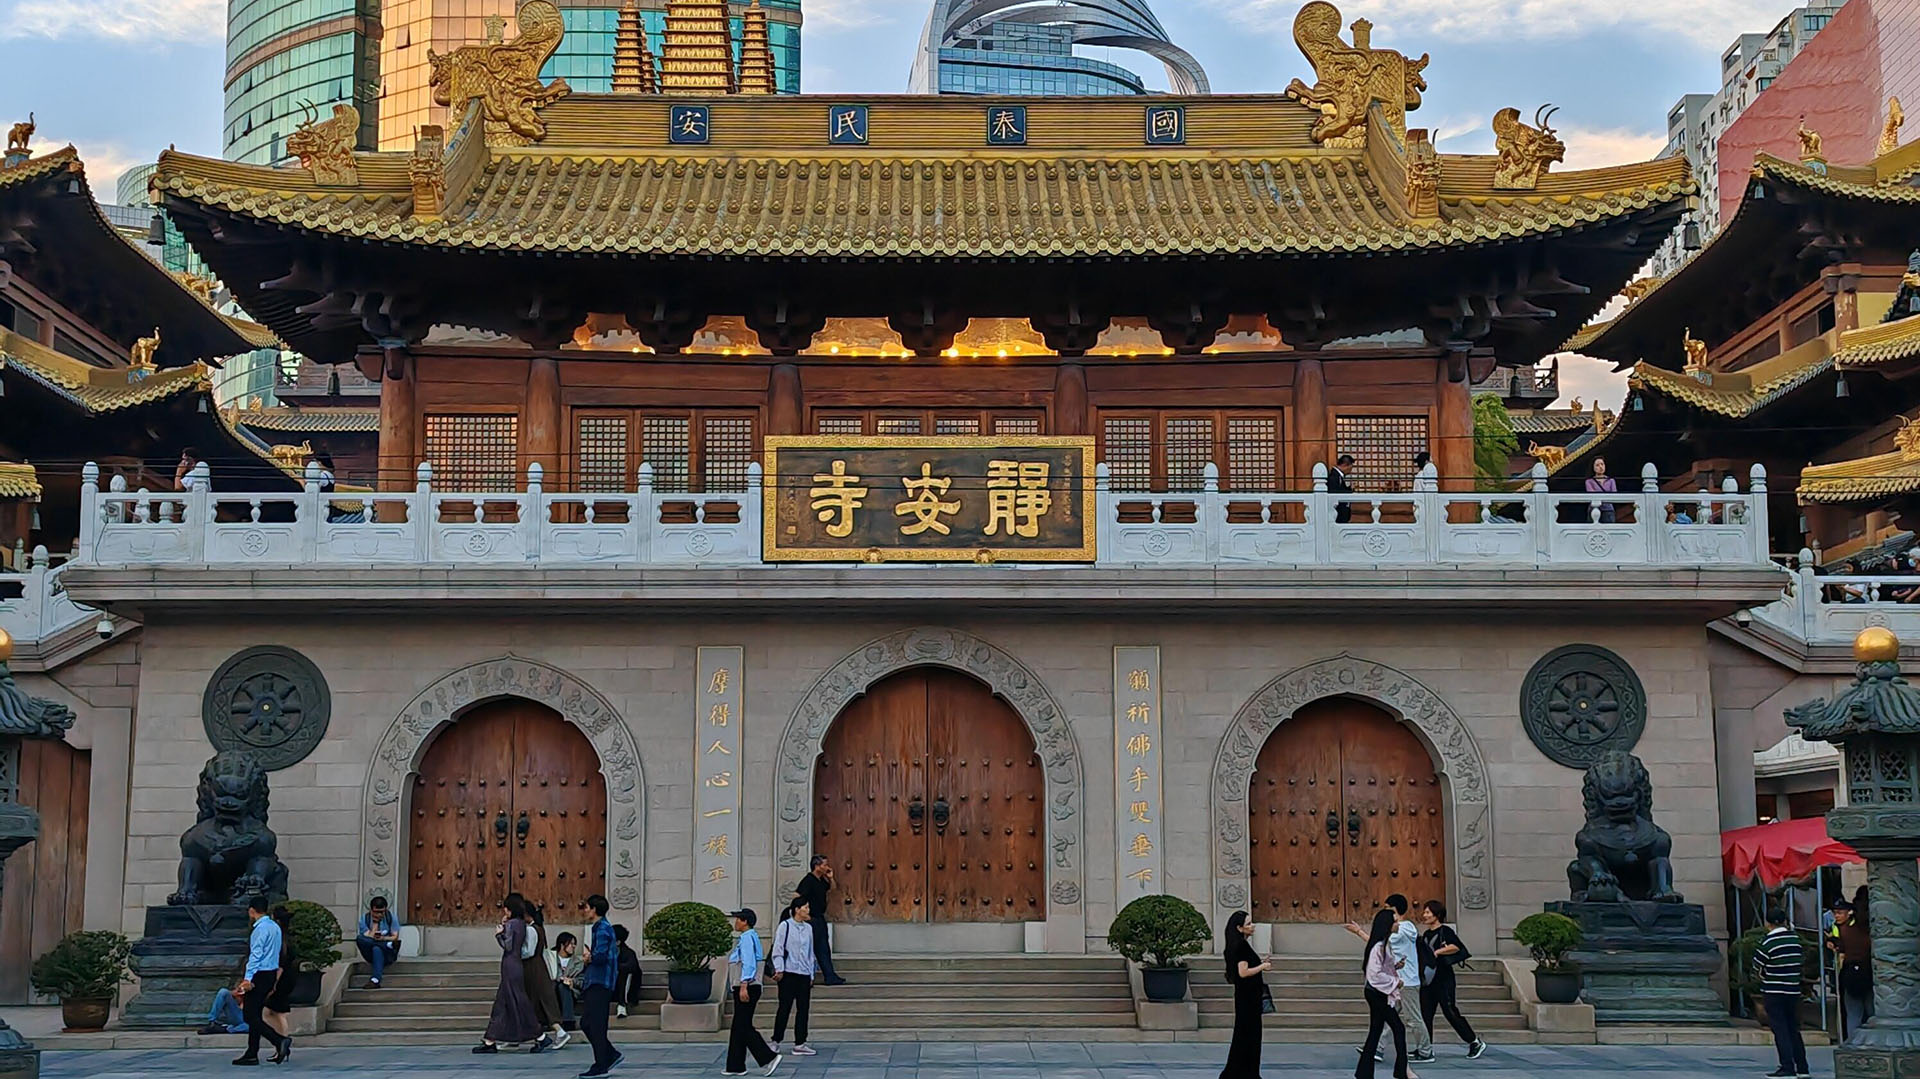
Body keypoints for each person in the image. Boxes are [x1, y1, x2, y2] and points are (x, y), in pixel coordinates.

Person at [1416, 900, 1485, 1058]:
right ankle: (1425, 1048)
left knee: (1450, 1011)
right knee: (1425, 1014)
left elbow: (1456, 946)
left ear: (1437, 914)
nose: (1424, 915)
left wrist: (1438, 952)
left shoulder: (1445, 931)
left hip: (1443, 978)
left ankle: (1474, 1041)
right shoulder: (1426, 934)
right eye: (1425, 912)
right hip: (1428, 979)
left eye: (1428, 912)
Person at [475, 894, 542, 1054]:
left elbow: (508, 945)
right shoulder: (521, 924)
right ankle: (490, 1039)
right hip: (516, 965)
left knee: (518, 1001)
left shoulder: (512, 924)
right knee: (502, 1003)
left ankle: (540, 1035)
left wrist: (499, 933)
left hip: (510, 965)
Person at [1354, 908, 1413, 1079]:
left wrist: (1395, 967)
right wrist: (1396, 982)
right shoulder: (1378, 946)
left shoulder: (1383, 945)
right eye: (1395, 921)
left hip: (1377, 992)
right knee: (1398, 1028)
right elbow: (1374, 974)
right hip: (1377, 993)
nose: (1397, 924)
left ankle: (1364, 1072)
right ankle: (1401, 1071)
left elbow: (1379, 969)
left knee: (1375, 1031)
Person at [232, 895, 291, 1066]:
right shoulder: (275, 927)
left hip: (259, 974)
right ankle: (252, 1053)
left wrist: (247, 979)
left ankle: (278, 1040)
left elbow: (256, 955)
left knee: (250, 1016)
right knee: (255, 1013)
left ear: (252, 910)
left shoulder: (259, 929)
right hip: (270, 972)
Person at [724, 908, 780, 1076]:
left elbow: (749, 963)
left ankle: (768, 1057)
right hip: (746, 985)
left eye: (738, 919)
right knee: (738, 1026)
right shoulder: (749, 937)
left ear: (745, 921)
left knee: (743, 1026)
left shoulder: (747, 938)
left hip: (747, 986)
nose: (735, 922)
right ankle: (735, 1065)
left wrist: (743, 985)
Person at [1756, 905, 1810, 1079]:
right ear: (1785, 921)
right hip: (1793, 991)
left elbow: (1757, 967)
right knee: (1794, 1029)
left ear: (1768, 923)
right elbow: (1800, 963)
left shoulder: (1768, 942)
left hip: (1774, 990)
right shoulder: (1795, 940)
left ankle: (1787, 1067)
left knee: (1780, 1030)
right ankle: (1802, 1068)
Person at [1219, 909, 1270, 1079]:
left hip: (1246, 997)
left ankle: (1242, 1072)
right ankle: (1245, 1073)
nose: (1252, 926)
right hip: (1248, 999)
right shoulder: (1241, 946)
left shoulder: (1238, 945)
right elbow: (1243, 972)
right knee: (1249, 1036)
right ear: (1239, 928)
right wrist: (1263, 966)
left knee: (1245, 1035)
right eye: (1248, 924)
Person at [579, 894, 624, 1079]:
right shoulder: (600, 927)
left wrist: (589, 957)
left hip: (600, 982)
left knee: (596, 1025)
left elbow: (601, 956)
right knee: (587, 1023)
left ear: (594, 909)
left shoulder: (603, 929)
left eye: (587, 907)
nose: (585, 911)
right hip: (595, 981)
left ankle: (601, 1064)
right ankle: (609, 1054)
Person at [771, 900, 820, 1056]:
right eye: (805, 907)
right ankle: (776, 1041)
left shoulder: (809, 929)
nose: (808, 909)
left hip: (804, 974)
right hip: (788, 973)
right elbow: (778, 948)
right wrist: (779, 969)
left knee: (803, 1009)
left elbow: (810, 952)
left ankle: (800, 1043)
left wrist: (811, 973)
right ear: (797, 909)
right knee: (784, 1008)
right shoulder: (785, 926)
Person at [524, 902, 571, 1052]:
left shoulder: (532, 930)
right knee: (539, 1001)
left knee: (538, 1000)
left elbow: (528, 952)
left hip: (533, 968)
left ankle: (557, 1033)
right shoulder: (538, 928)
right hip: (536, 967)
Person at [793, 855, 846, 986]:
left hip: (819, 918)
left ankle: (830, 976)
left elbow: (832, 889)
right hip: (811, 919)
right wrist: (804, 914)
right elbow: (797, 896)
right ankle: (806, 976)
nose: (827, 867)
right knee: (810, 948)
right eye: (824, 865)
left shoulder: (821, 880)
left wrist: (831, 877)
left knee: (823, 947)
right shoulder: (808, 880)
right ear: (817, 866)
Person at [1828, 899, 1873, 1038]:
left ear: (1850, 913)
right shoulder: (1845, 928)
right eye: (1835, 913)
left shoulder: (1851, 930)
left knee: (1855, 1011)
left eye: (1840, 913)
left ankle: (1853, 1041)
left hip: (1853, 971)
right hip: (1862, 971)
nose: (1837, 916)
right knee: (1868, 1008)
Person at [260, 904, 298, 1060]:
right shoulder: (288, 937)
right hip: (289, 977)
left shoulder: (279, 938)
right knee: (274, 1012)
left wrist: (273, 985)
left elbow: (280, 965)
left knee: (275, 1012)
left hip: (282, 978)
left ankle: (282, 1042)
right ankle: (282, 1045)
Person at [356, 895, 401, 987]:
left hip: (388, 954)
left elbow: (395, 937)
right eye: (376, 912)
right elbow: (367, 937)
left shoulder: (391, 917)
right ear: (371, 910)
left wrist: (383, 939)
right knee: (360, 939)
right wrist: (375, 924)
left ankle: (375, 980)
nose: (379, 915)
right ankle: (387, 945)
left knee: (377, 948)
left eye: (381, 912)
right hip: (370, 953)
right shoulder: (365, 919)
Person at [553, 932, 583, 1029]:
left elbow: (582, 981)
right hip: (553, 990)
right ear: (562, 945)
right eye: (571, 944)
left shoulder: (578, 962)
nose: (574, 947)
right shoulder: (551, 958)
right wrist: (560, 978)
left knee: (564, 986)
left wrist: (572, 981)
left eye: (575, 944)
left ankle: (568, 1021)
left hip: (570, 991)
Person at [612, 924, 643, 1018]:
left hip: (627, 989)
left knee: (623, 972)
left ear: (617, 942)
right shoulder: (604, 953)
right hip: (611, 988)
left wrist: (614, 966)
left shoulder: (628, 953)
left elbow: (632, 967)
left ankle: (622, 1005)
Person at [1585, 457, 1619, 524]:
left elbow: (1614, 494)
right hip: (1594, 510)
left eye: (1602, 464)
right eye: (1597, 465)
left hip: (1608, 510)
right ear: (1593, 468)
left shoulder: (1611, 480)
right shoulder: (1589, 481)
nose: (1600, 467)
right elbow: (1592, 494)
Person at [1330, 454, 1357, 524]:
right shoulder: (1334, 477)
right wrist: (1349, 490)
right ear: (1345, 465)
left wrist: (1349, 488)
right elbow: (1336, 493)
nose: (1350, 471)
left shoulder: (1338, 477)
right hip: (1337, 515)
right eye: (1350, 468)